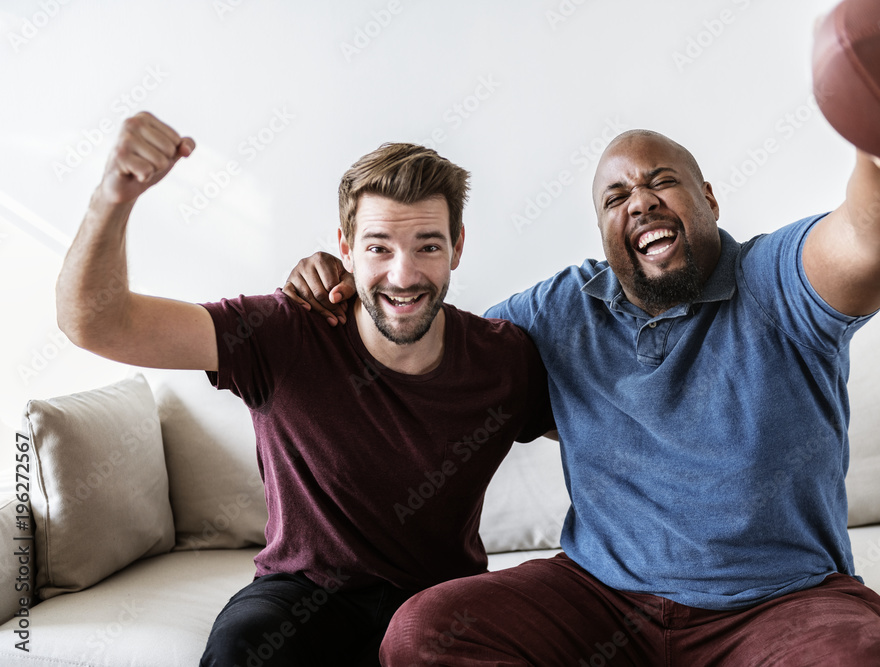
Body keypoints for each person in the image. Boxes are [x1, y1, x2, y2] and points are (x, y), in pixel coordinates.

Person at [284, 128, 880, 664]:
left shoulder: (776, 280)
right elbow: (429, 355)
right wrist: (350, 288)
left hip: (776, 602)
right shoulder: (560, 308)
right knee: (422, 634)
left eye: (662, 181)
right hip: (604, 598)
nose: (640, 202)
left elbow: (874, 237)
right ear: (603, 231)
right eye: (616, 196)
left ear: (708, 197)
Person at [54, 111, 553, 667]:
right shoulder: (284, 331)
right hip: (303, 595)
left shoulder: (503, 359)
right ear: (345, 246)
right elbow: (97, 324)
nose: (404, 274)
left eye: (428, 247)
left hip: (439, 603)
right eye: (379, 247)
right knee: (245, 649)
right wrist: (112, 198)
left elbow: (605, 436)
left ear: (458, 247)